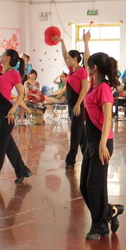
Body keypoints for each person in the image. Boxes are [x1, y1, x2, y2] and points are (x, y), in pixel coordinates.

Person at [81, 45, 124, 240]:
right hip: (91, 140)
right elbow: (89, 60)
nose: (87, 68)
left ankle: (99, 227)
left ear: (94, 68)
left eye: (89, 66)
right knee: (84, 186)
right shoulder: (94, 85)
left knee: (94, 186)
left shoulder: (104, 89)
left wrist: (102, 144)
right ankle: (109, 212)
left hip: (102, 141)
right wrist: (86, 43)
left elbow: (108, 118)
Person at [0, 32, 31, 185]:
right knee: (7, 145)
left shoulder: (14, 74)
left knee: (0, 147)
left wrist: (12, 111)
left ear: (8, 58)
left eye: (3, 54)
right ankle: (22, 170)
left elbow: (21, 94)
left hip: (6, 113)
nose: (0, 56)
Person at [54, 38, 90, 168]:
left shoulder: (82, 71)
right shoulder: (70, 70)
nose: (67, 59)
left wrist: (78, 104)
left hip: (78, 106)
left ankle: (71, 160)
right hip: (71, 106)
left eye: (69, 58)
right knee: (81, 134)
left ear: (75, 59)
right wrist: (62, 42)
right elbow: (64, 54)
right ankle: (88, 157)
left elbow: (84, 89)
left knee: (75, 133)